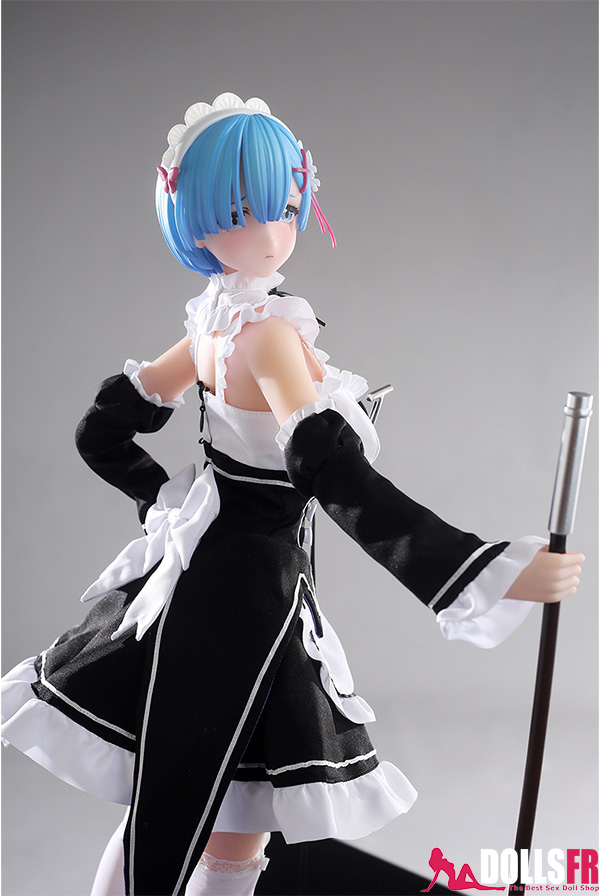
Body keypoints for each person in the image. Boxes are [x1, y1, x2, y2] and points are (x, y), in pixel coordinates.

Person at [1, 93, 584, 896]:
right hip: (244, 609)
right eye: (239, 212)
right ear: (196, 222)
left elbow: (101, 433)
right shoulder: (266, 335)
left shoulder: (212, 326)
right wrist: (482, 572)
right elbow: (334, 476)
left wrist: (165, 499)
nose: (271, 232)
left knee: (203, 810)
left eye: (281, 206)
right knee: (192, 814)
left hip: (216, 586)